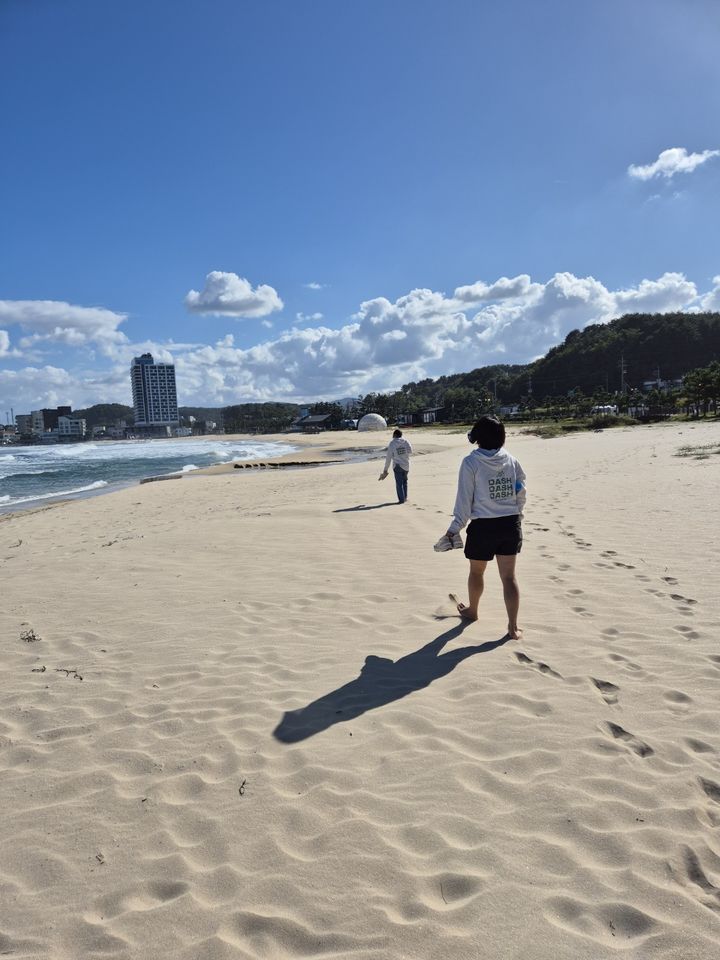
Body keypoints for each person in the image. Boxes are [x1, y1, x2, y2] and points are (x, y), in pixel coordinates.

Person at [439, 416, 526, 638]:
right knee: (509, 578)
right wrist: (518, 514)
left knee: (476, 572)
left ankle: (473, 610)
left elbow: (464, 500)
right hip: (510, 523)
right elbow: (520, 490)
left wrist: (454, 528)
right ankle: (512, 627)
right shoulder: (511, 460)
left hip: (483, 527)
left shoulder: (471, 462)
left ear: (477, 437)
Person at [379, 429, 413, 503]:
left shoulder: (392, 443)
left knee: (399, 483)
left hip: (397, 465)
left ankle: (401, 500)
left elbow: (388, 458)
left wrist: (385, 469)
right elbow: (410, 451)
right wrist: (403, 452)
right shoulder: (406, 441)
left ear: (394, 435)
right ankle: (405, 497)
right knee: (405, 482)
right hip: (406, 465)